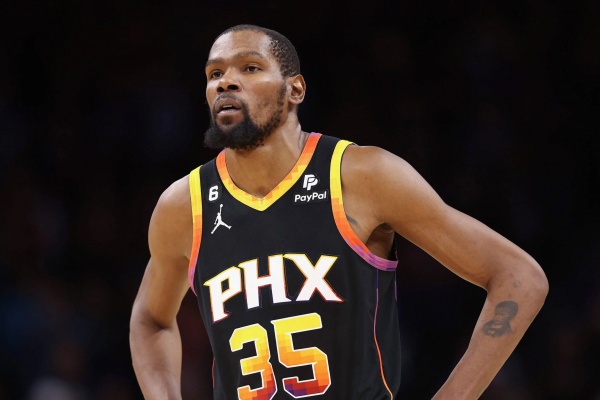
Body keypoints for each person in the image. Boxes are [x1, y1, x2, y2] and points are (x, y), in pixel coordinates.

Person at [129, 24, 549, 399]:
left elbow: (519, 278)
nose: (226, 82)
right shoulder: (184, 206)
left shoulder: (362, 175)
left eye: (250, 68)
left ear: (295, 90)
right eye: (214, 74)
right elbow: (150, 320)